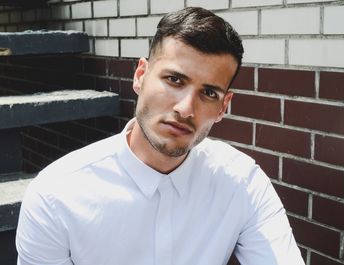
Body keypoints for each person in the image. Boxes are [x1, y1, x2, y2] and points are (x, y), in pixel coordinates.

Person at [16, 7, 305, 265]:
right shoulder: (56, 195)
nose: (185, 109)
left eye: (208, 93)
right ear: (140, 75)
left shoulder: (242, 182)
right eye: (174, 80)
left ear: (223, 107)